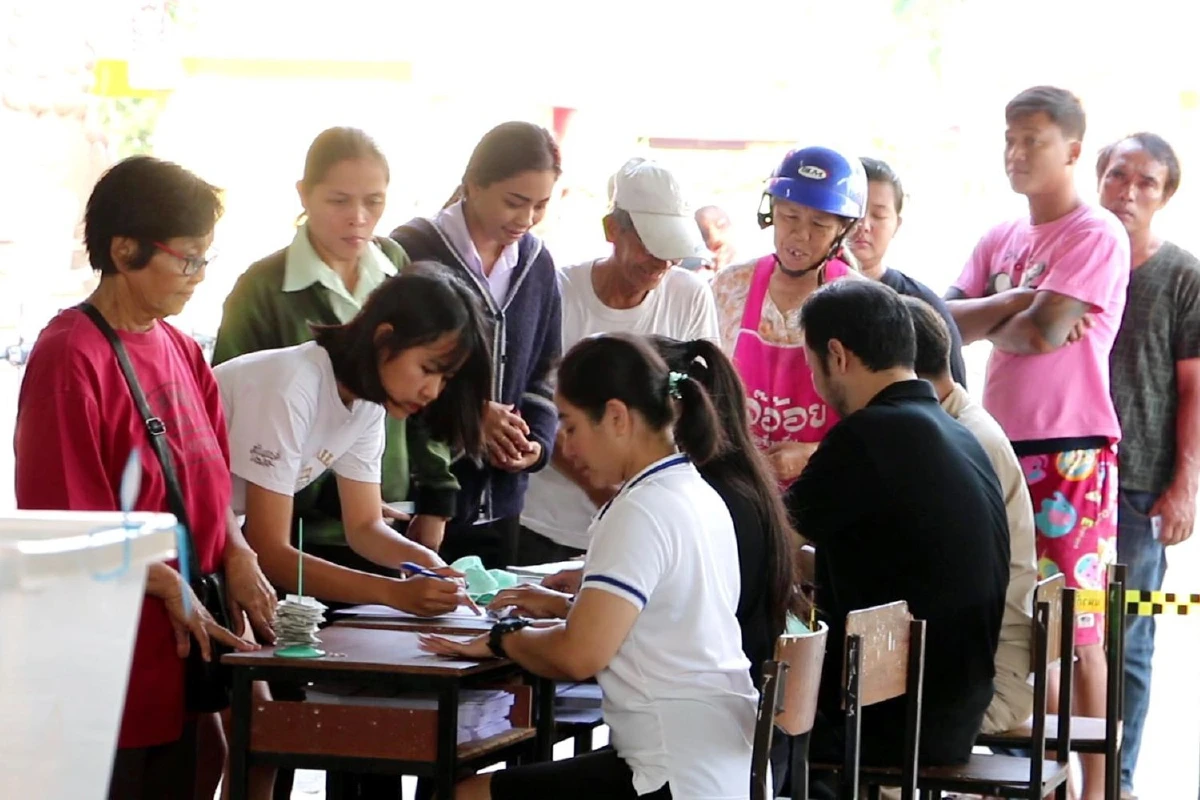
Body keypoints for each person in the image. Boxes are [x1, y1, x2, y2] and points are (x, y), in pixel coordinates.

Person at [13, 156, 274, 800]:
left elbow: (211, 488)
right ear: (124, 250)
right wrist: (165, 584)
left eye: (206, 258)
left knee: (203, 765)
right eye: (188, 259)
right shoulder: (70, 356)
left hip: (190, 642)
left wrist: (238, 552)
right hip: (116, 656)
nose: (200, 275)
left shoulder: (182, 350)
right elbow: (68, 526)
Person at [418, 333, 757, 800]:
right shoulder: (695, 490)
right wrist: (548, 619)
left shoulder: (640, 510)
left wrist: (504, 637)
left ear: (616, 417)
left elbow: (578, 655)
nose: (566, 446)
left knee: (461, 795)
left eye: (572, 425)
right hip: (715, 763)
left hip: (670, 775)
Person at [944, 86, 1129, 800]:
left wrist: (1003, 316)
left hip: (1070, 448)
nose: (1016, 153)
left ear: (1073, 151)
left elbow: (1045, 333)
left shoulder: (1095, 233)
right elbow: (941, 324)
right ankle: (1046, 785)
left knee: (1077, 629)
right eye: (1010, 139)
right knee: (1020, 624)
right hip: (997, 448)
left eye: (1034, 141)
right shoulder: (1002, 237)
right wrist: (1018, 303)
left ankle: (1099, 789)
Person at [785, 281, 1008, 776]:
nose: (814, 382)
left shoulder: (868, 435)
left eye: (810, 365)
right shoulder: (957, 433)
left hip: (889, 725)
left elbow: (771, 537)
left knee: (734, 714)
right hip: (953, 714)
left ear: (837, 356)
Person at [213, 127, 461, 572]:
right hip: (278, 518)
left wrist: (436, 499)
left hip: (373, 508)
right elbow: (225, 420)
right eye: (339, 201)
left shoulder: (397, 270)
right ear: (304, 194)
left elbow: (421, 398)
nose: (358, 218)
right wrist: (332, 483)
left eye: (374, 201)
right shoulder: (263, 289)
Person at [213, 264, 489, 615]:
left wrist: (428, 563)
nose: (432, 391)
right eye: (427, 369)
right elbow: (270, 551)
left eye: (445, 378)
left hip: (215, 535)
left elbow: (364, 526)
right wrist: (394, 593)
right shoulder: (293, 386)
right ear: (384, 339)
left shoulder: (367, 404)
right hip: (168, 532)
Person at [517, 157, 719, 563]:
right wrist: (600, 491)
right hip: (549, 520)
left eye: (672, 250)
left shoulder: (690, 295)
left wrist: (632, 500)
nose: (661, 262)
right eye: (649, 245)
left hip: (650, 522)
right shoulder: (559, 290)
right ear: (612, 229)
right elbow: (536, 403)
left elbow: (701, 398)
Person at [390, 121, 562, 569]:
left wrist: (536, 444)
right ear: (473, 184)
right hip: (416, 505)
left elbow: (544, 372)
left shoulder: (538, 264)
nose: (526, 219)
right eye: (514, 202)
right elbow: (387, 377)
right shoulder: (411, 252)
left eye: (540, 205)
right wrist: (470, 417)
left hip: (501, 506)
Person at [1098, 132, 1200, 798]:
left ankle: (1119, 782)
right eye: (1117, 175)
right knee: (1056, 632)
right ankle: (1058, 775)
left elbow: (1194, 387)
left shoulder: (1182, 275)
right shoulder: (1069, 259)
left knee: (1128, 639)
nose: (1127, 192)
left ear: (1164, 197)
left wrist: (1185, 486)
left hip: (1139, 486)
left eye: (1146, 182)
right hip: (1064, 479)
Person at [905, 295, 1037, 736]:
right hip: (978, 660)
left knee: (811, 714)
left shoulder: (958, 440)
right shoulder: (952, 421)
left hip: (987, 682)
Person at [711, 145, 867, 485]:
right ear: (771, 212)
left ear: (843, 230)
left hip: (826, 490)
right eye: (789, 216)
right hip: (738, 486)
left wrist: (813, 453)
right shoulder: (728, 287)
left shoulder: (862, 304)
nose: (800, 234)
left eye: (819, 224)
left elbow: (880, 424)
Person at [850, 156, 968, 386]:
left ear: (897, 224)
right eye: (855, 211)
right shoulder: (800, 291)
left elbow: (952, 396)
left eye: (878, 215)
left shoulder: (921, 304)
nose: (863, 225)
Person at [693, 204, 736, 277]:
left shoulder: (749, 259)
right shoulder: (703, 269)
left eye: (721, 226)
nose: (714, 237)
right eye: (704, 234)